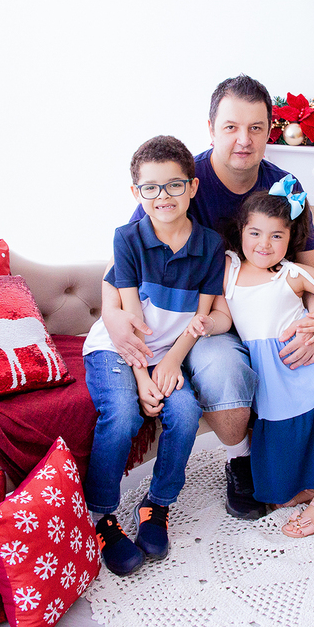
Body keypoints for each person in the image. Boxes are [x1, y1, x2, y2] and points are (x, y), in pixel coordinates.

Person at [99, 75, 314, 520]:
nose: (243, 140)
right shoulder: (180, 183)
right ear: (211, 127)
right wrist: (114, 317)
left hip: (275, 311)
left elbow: (313, 271)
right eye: (231, 127)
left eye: (255, 127)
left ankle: (305, 461)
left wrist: (312, 326)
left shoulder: (285, 186)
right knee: (230, 373)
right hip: (207, 320)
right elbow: (124, 265)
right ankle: (243, 459)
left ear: (270, 130)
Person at [80, 135, 229, 575]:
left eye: (174, 185)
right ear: (136, 193)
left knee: (183, 414)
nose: (163, 197)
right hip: (120, 348)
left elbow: (200, 320)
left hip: (169, 353)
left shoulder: (210, 245)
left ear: (193, 188)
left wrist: (168, 365)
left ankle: (156, 505)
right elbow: (129, 317)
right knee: (124, 413)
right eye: (151, 187)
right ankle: (102, 515)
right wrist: (144, 377)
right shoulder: (127, 238)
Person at [220, 183, 314, 537]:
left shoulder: (291, 273)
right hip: (275, 380)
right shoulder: (229, 267)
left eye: (277, 236)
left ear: (290, 239)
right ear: (241, 231)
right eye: (255, 232)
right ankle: (309, 489)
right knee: (275, 489)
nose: (264, 244)